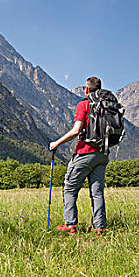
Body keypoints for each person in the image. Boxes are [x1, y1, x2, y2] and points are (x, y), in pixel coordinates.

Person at [49, 76, 109, 236]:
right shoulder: (108, 106)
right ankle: (98, 228)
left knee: (69, 188)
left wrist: (57, 143)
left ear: (87, 89)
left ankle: (70, 225)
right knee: (97, 192)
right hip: (103, 153)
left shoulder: (84, 104)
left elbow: (76, 130)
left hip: (85, 152)